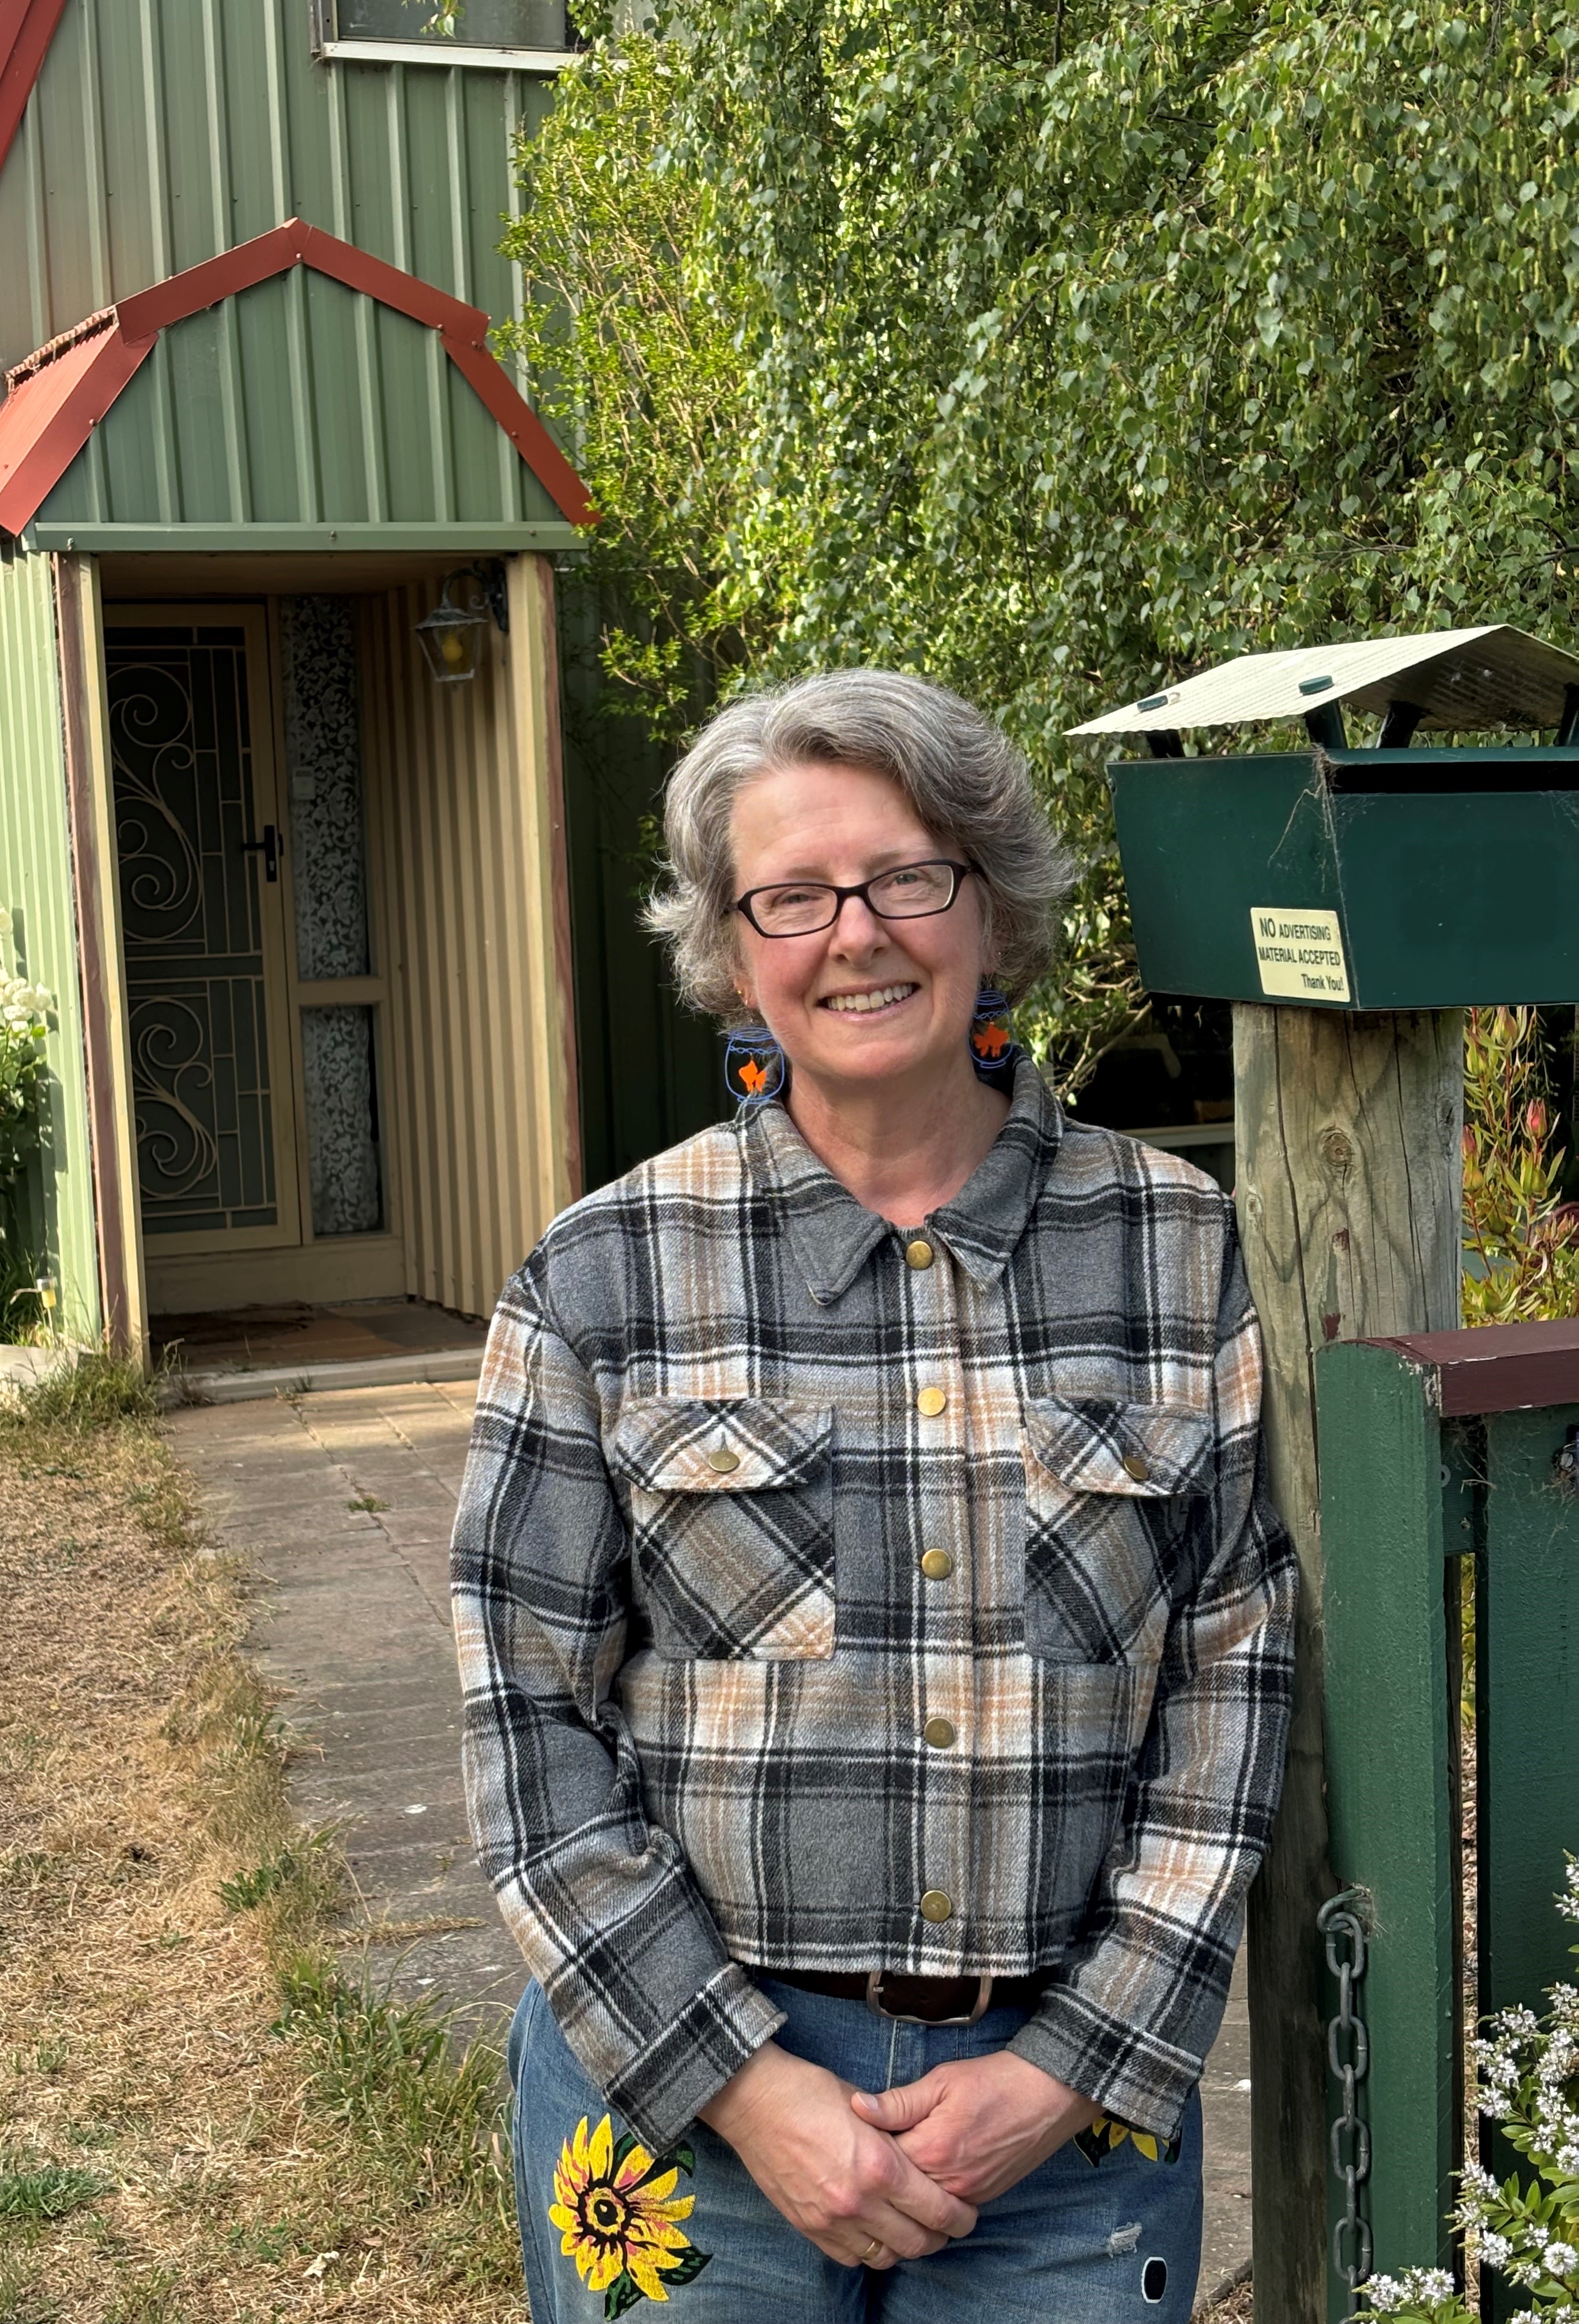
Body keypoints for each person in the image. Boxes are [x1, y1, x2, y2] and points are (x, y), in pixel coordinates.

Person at [451, 669, 1296, 2322]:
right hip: (683, 2109)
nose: (858, 935)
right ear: (731, 946)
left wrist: (1071, 2066)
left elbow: (1233, 1691)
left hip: (1066, 2127)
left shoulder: (1175, 1251)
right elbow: (525, 1720)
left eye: (908, 876)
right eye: (793, 894)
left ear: (988, 903)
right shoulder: (601, 1276)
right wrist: (748, 2089)